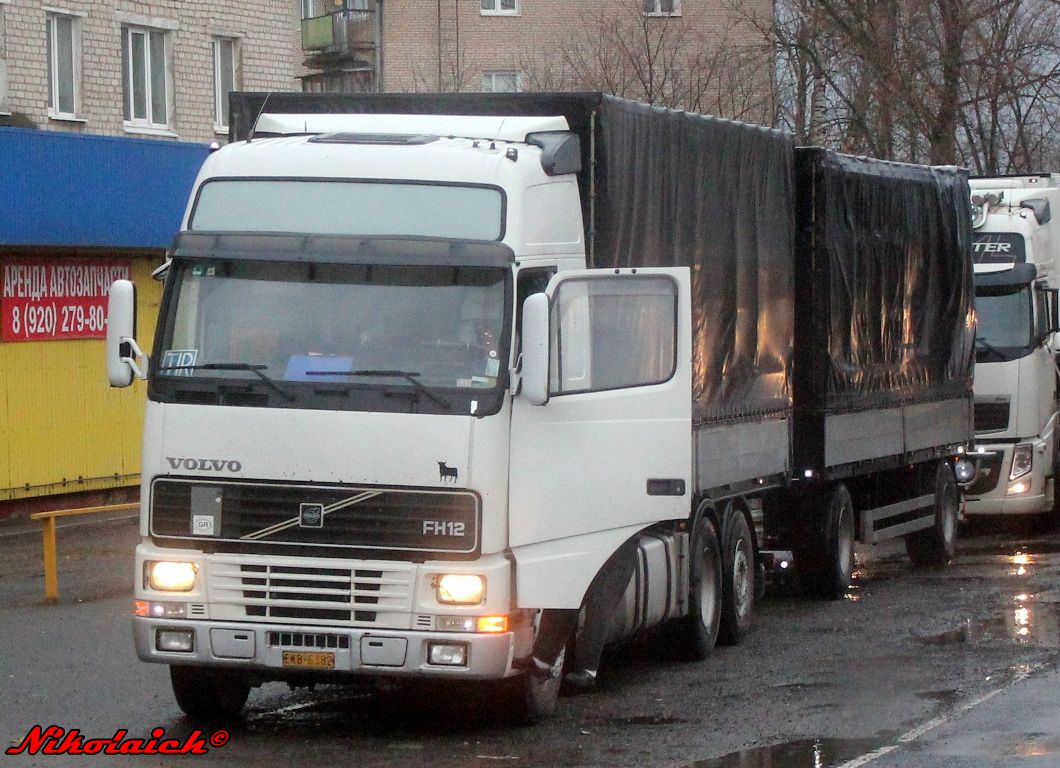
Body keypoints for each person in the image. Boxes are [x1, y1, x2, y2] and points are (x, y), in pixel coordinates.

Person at [530, 538, 639, 690]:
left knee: (599, 602)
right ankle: (543, 661)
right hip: (598, 538)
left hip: (617, 543)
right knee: (571, 596)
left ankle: (586, 669)